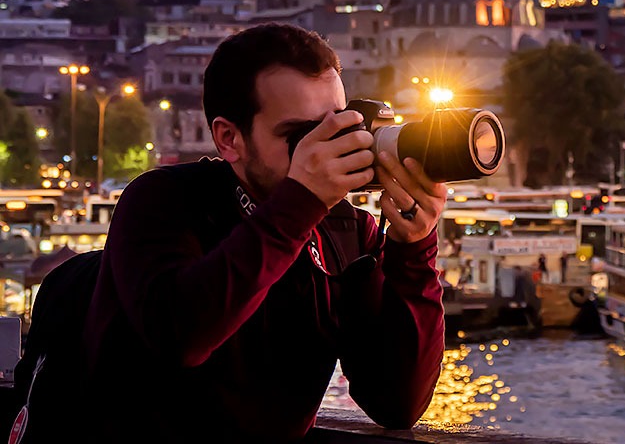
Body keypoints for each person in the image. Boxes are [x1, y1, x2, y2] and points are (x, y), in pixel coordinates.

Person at [81, 23, 447, 443]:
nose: (322, 150)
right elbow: (180, 336)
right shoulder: (161, 201)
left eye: (336, 129)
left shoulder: (344, 230)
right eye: (301, 136)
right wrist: (301, 204)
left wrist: (414, 249)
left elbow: (396, 403)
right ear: (229, 138)